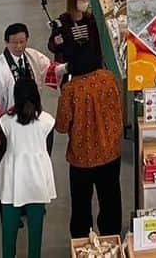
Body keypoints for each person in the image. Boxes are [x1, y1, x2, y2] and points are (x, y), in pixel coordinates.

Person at [55, 46, 124, 239]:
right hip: (110, 152)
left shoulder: (71, 89)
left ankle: (82, 241)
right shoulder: (109, 79)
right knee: (110, 199)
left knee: (81, 204)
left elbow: (61, 125)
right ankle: (111, 238)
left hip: (81, 157)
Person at [0, 23, 55, 162]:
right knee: (10, 162)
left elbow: (50, 70)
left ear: (27, 40)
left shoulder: (32, 56)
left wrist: (67, 68)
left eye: (22, 42)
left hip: (32, 117)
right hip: (10, 123)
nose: (19, 46)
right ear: (6, 42)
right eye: (14, 43)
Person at [0, 79, 56, 258]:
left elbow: (3, 148)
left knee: (8, 233)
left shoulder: (5, 121)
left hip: (12, 179)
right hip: (37, 178)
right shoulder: (47, 121)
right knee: (35, 233)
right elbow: (48, 149)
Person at [48, 0, 103, 69]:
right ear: (72, 1)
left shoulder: (90, 20)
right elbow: (51, 46)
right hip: (72, 66)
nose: (85, 2)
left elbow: (96, 44)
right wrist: (56, 43)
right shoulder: (62, 22)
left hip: (91, 65)